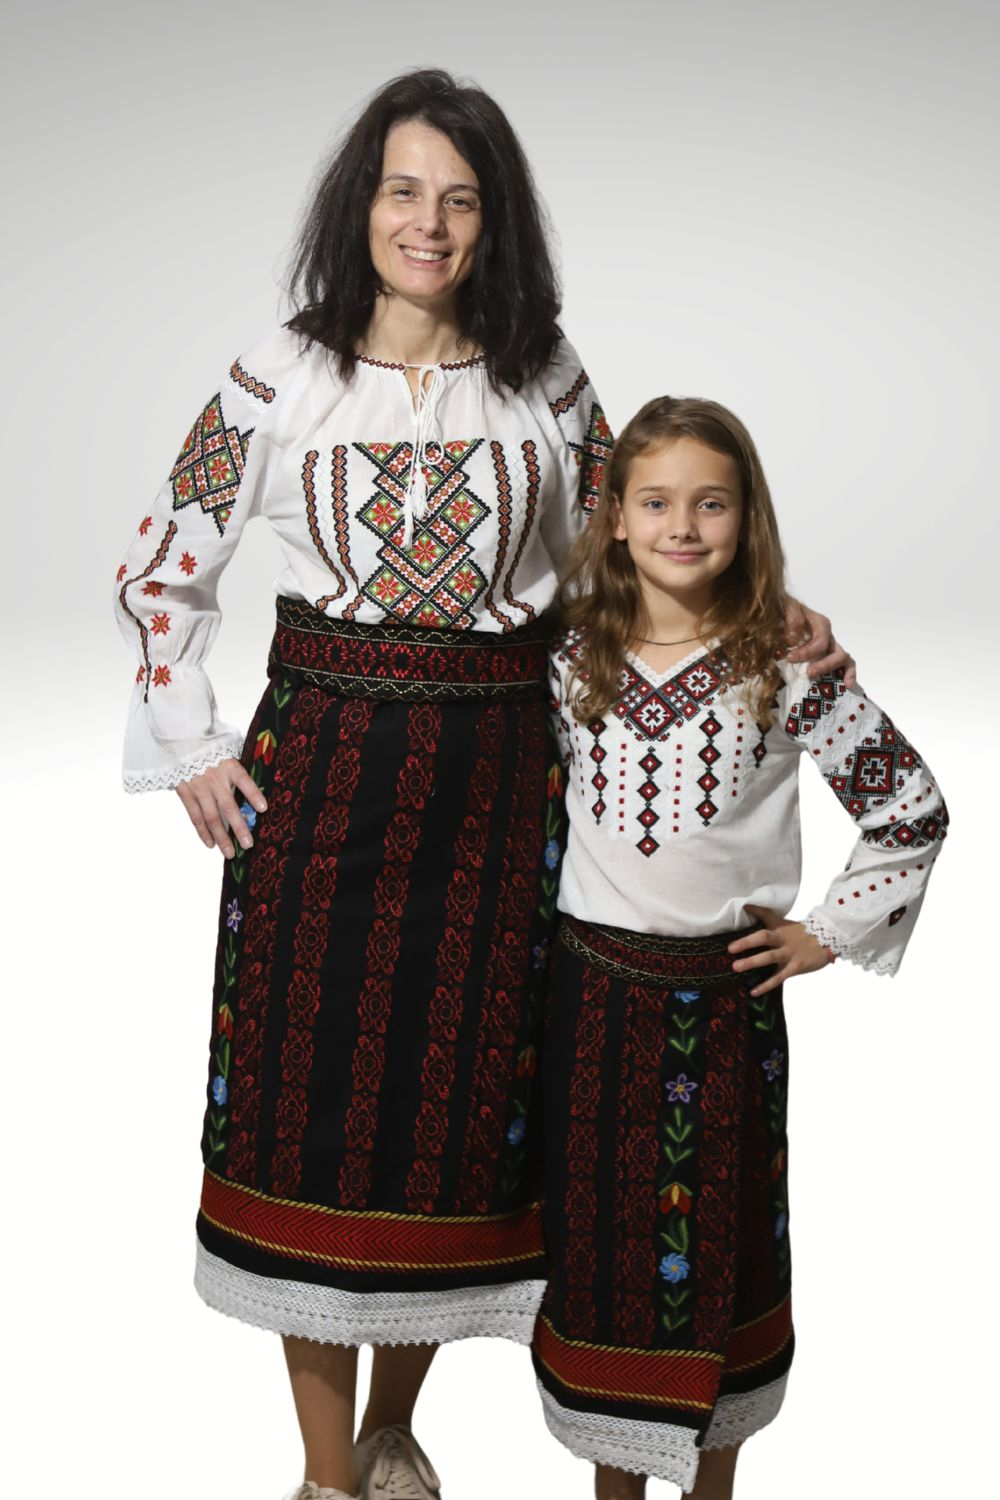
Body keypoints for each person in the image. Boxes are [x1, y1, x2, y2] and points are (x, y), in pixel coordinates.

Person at [113, 70, 848, 1500]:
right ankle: (327, 1474)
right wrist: (192, 744)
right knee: (310, 1113)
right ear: (361, 204)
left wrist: (770, 616)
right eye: (404, 191)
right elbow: (163, 561)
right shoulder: (279, 372)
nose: (429, 224)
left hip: (505, 788)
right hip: (325, 776)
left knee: (455, 1119)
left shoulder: (546, 379)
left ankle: (396, 1426)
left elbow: (643, 537)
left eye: (460, 199)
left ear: (493, 220)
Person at [532, 396, 947, 1500]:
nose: (682, 526)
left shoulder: (784, 662)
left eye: (710, 503)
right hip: (592, 1004)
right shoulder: (571, 655)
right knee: (608, 1257)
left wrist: (827, 932)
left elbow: (908, 806)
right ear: (616, 515)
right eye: (656, 502)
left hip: (720, 1010)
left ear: (747, 515)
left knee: (723, 1250)